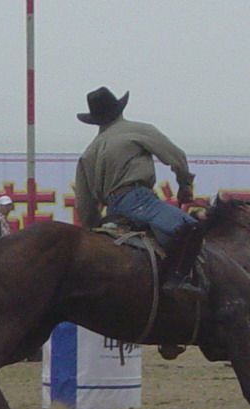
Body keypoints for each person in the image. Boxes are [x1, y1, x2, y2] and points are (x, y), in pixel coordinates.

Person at [74, 86, 205, 301]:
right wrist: (184, 186)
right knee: (190, 228)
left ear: (95, 120)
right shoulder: (136, 130)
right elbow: (177, 157)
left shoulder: (89, 152)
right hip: (138, 200)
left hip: (112, 208)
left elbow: (85, 203)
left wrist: (93, 230)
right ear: (119, 109)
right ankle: (177, 282)